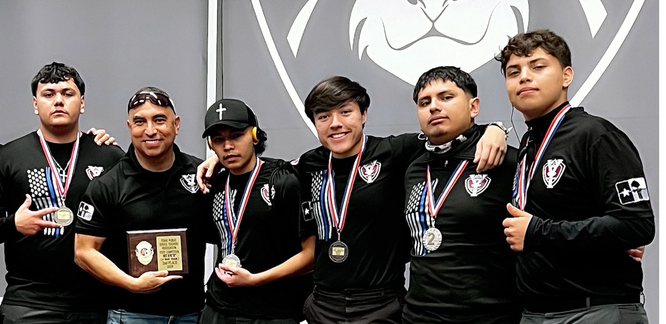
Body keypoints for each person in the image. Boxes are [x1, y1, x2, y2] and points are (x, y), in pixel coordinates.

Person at [294, 76, 507, 323]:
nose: (335, 124)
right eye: (323, 117)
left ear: (363, 114)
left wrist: (495, 129)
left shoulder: (395, 151)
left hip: (382, 304)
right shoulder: (306, 165)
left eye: (346, 112)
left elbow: (448, 135)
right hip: (323, 305)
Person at [498, 30, 654, 323]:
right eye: (513, 71)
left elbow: (637, 224)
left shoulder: (596, 135)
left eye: (538, 66)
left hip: (595, 310)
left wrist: (538, 233)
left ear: (566, 76)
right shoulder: (527, 148)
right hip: (534, 312)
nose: (524, 77)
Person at [0, 62, 124, 324]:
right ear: (35, 104)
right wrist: (13, 224)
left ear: (82, 103)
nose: (58, 101)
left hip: (94, 302)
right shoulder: (9, 156)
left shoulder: (109, 156)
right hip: (29, 302)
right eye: (49, 94)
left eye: (67, 93)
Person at [74, 87, 208, 324]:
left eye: (159, 120)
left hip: (191, 315)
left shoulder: (200, 175)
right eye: (139, 122)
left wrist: (219, 159)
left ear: (176, 124)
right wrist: (132, 284)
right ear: (129, 128)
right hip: (131, 314)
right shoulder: (108, 185)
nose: (150, 130)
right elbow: (84, 252)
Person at [402, 66, 521, 323]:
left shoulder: (507, 161)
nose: (434, 107)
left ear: (473, 107)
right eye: (425, 102)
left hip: (490, 315)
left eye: (446, 97)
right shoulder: (413, 167)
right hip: (419, 316)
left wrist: (496, 128)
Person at [198, 98, 314, 324]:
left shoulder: (283, 180)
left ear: (254, 136)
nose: (228, 146)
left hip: (272, 313)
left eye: (236, 136)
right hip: (218, 309)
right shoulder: (213, 184)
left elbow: (311, 256)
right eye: (219, 140)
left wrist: (256, 279)